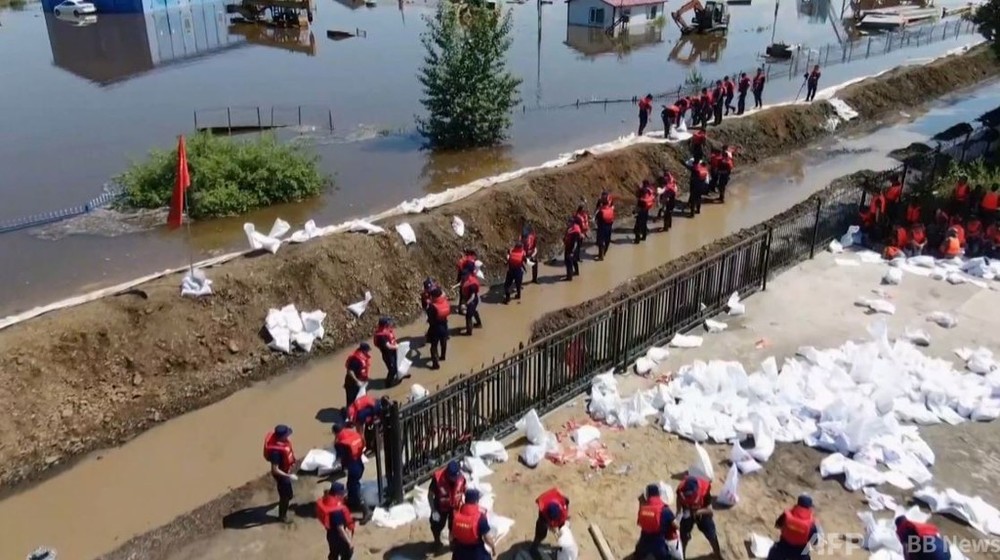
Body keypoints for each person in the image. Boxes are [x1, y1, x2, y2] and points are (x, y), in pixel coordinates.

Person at [676, 475, 723, 560]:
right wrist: (679, 513)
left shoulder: (704, 491)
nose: (689, 496)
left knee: (711, 535)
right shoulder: (681, 490)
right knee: (683, 537)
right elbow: (679, 500)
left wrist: (695, 512)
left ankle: (717, 555)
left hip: (702, 513)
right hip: (688, 513)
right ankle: (681, 557)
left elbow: (710, 510)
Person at [333, 422, 372, 523]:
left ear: (335, 432)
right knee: (351, 485)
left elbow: (340, 456)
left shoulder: (340, 442)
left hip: (353, 467)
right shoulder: (352, 434)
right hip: (359, 463)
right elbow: (362, 444)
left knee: (354, 488)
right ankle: (352, 503)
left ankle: (366, 511)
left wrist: (337, 463)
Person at [635, 483, 680, 560]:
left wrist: (640, 503)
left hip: (644, 541)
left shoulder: (643, 509)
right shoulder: (665, 510)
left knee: (638, 555)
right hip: (658, 541)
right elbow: (676, 525)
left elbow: (639, 523)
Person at [429, 460, 467, 549]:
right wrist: (433, 510)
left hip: (455, 507)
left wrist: (465, 507)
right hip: (440, 507)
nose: (454, 479)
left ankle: (452, 543)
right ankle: (437, 542)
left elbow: (465, 491)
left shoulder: (461, 478)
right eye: (452, 477)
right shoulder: (437, 479)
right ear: (447, 473)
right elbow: (430, 495)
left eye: (455, 477)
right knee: (436, 525)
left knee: (454, 527)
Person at [263, 424, 297, 523]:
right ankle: (282, 516)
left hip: (286, 472)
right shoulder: (275, 453)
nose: (288, 436)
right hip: (281, 475)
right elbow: (275, 470)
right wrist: (288, 475)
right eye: (286, 435)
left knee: (289, 495)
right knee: (285, 497)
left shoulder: (281, 442)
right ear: (281, 437)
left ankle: (288, 497)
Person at [767, 495, 819, 560]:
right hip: (799, 552)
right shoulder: (811, 524)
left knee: (772, 554)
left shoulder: (787, 515)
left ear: (798, 504)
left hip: (783, 547)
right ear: (809, 508)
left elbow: (778, 525)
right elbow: (814, 541)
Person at [451, 488, 497, 560]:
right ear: (476, 501)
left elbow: (452, 535)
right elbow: (487, 538)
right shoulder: (480, 517)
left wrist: (452, 545)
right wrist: (493, 547)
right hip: (476, 552)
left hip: (460, 551)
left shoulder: (456, 515)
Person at [317, 482, 355, 560]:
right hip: (339, 538)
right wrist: (349, 542)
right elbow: (340, 528)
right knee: (347, 554)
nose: (344, 495)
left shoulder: (327, 501)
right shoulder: (337, 510)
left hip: (330, 535)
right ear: (337, 495)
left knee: (333, 553)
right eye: (342, 494)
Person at [532, 487, 570, 553]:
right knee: (541, 534)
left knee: (563, 532)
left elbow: (566, 501)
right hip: (544, 520)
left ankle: (563, 546)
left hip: (559, 516)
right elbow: (547, 523)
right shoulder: (543, 507)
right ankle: (534, 547)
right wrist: (552, 528)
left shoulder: (562, 503)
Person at [425, 287, 450, 369]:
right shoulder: (445, 301)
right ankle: (443, 356)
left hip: (435, 328)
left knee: (434, 346)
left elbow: (430, 318)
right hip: (445, 326)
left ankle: (435, 364)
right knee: (443, 342)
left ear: (434, 297)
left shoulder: (432, 306)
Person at [373, 317, 400, 387]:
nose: (390, 323)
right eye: (388, 323)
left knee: (396, 366)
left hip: (393, 352)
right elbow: (388, 346)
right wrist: (398, 347)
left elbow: (392, 340)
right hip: (388, 355)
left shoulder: (387, 330)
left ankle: (397, 377)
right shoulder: (381, 336)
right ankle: (388, 383)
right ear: (385, 325)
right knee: (392, 370)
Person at [344, 342, 371, 406]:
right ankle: (349, 414)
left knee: (362, 398)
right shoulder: (355, 359)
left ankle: (358, 413)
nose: (368, 352)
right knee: (351, 401)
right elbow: (350, 371)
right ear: (363, 350)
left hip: (361, 382)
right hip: (352, 383)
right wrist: (357, 381)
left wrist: (365, 380)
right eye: (367, 351)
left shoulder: (363, 357)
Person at [460, 262, 482, 335]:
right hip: (471, 299)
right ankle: (479, 324)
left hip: (472, 300)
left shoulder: (472, 284)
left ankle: (469, 332)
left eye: (464, 275)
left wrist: (466, 304)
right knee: (474, 311)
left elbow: (472, 296)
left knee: (468, 316)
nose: (462, 277)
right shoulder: (467, 279)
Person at [594, 193, 615, 261]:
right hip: (609, 226)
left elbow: (597, 219)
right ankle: (604, 253)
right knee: (607, 240)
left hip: (602, 226)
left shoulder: (601, 211)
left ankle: (601, 256)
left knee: (600, 241)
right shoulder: (611, 209)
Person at [563, 217, 583, 281]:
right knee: (574, 261)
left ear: (572, 223)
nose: (567, 223)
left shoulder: (575, 231)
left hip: (571, 249)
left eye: (569, 222)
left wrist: (572, 252)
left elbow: (576, 243)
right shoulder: (570, 228)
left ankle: (569, 277)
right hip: (570, 247)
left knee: (568, 262)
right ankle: (576, 272)